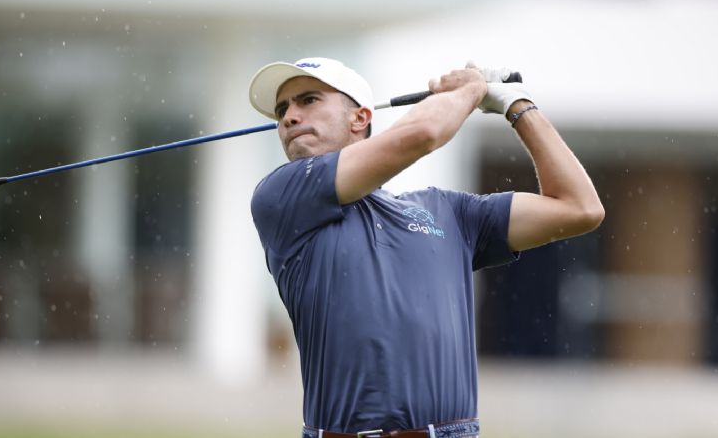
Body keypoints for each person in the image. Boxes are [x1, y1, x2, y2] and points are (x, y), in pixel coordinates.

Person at [248, 57, 604, 438]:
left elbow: (580, 208)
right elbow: (422, 135)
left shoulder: (448, 211)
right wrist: (471, 89)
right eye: (283, 109)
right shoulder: (282, 196)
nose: (289, 117)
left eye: (309, 100)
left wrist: (519, 107)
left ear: (360, 118)